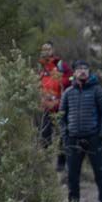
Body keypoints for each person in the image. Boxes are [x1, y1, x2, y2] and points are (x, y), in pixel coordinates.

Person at [60, 60, 102, 202]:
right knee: (73, 176)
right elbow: (62, 116)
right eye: (79, 69)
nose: (83, 71)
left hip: (93, 138)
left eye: (85, 69)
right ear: (74, 73)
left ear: (89, 72)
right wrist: (65, 135)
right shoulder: (68, 93)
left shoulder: (98, 91)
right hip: (73, 140)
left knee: (100, 173)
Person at [37, 41, 71, 171]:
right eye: (44, 49)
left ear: (53, 50)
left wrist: (60, 80)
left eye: (49, 49)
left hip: (59, 107)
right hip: (45, 108)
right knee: (45, 136)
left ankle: (61, 165)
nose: (46, 51)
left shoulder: (61, 65)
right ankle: (45, 165)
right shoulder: (40, 67)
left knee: (62, 135)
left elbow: (71, 78)